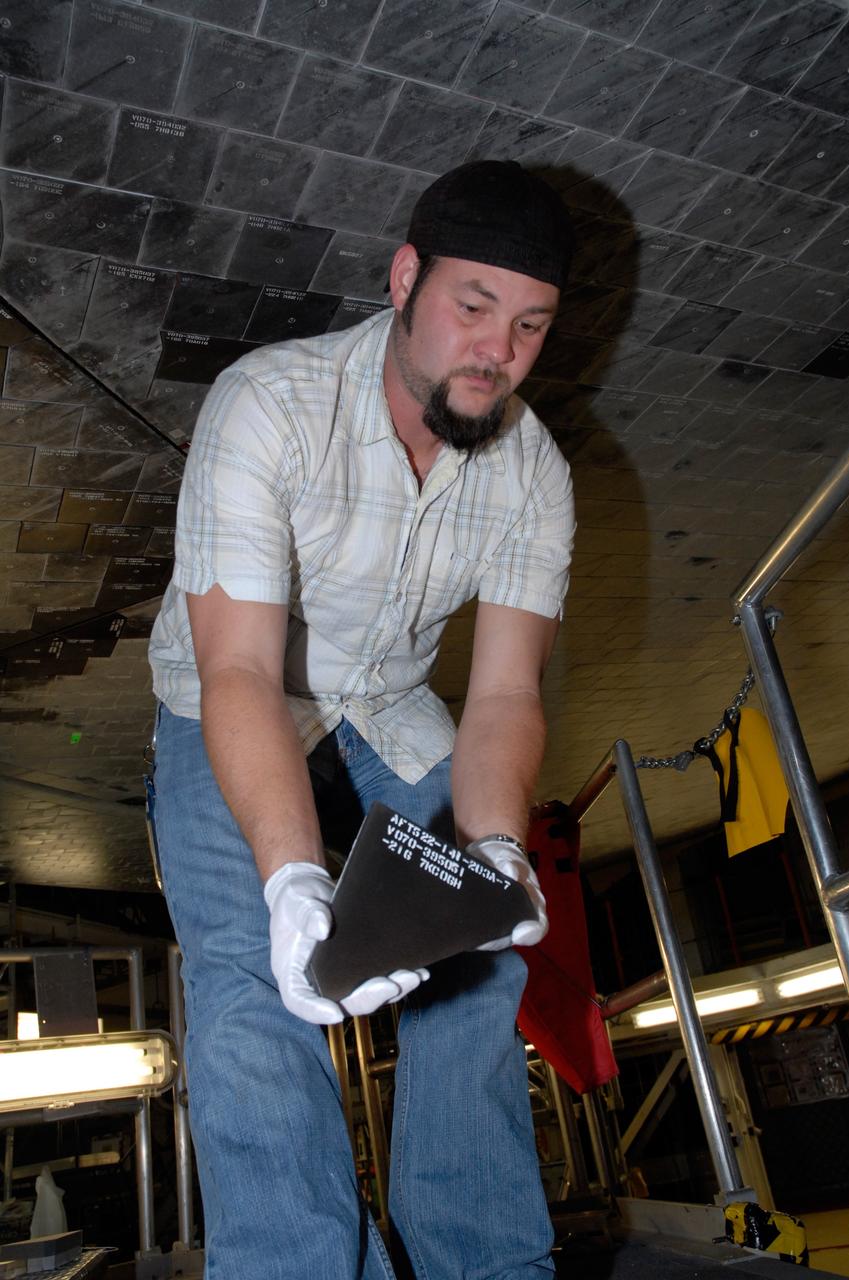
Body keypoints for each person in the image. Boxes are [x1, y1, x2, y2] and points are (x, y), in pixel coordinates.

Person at [148, 160, 575, 1280]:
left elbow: (503, 695)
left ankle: (484, 1260)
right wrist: (295, 881)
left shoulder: (532, 473)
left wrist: (492, 850)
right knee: (251, 981)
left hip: (389, 702)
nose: (496, 348)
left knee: (481, 958)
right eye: (470, 305)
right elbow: (239, 666)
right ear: (403, 279)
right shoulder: (269, 403)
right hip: (229, 694)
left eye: (528, 324)